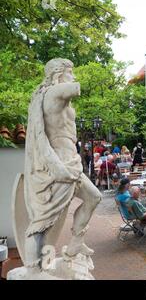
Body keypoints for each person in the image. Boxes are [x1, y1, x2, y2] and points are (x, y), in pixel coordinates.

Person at [23, 58, 102, 278]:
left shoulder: (53, 95)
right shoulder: (53, 93)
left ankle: (76, 243)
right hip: (59, 165)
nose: (74, 76)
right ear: (59, 75)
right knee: (42, 222)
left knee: (93, 197)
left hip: (72, 163)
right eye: (71, 72)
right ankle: (33, 270)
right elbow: (75, 89)